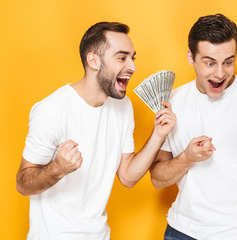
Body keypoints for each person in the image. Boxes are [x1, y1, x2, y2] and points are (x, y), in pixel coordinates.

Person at [16, 21, 176, 240]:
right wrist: (58, 168)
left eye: (132, 57)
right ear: (93, 60)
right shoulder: (51, 110)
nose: (133, 67)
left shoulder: (123, 106)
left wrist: (158, 135)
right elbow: (23, 183)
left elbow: (128, 177)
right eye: (122, 57)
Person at [149, 14, 237, 240]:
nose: (220, 73)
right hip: (182, 231)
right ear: (190, 57)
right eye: (209, 62)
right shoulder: (171, 103)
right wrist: (187, 157)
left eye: (228, 62)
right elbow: (157, 179)